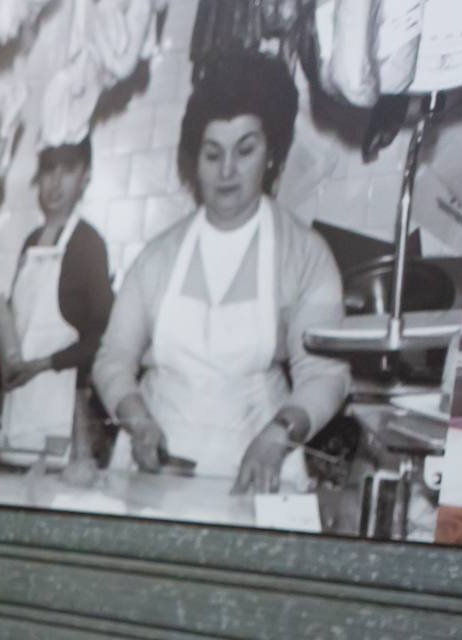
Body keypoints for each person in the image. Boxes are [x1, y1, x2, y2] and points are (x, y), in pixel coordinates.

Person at [93, 48, 349, 494]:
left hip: (261, 472)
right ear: (195, 162)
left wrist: (278, 436)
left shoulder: (305, 255)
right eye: (212, 155)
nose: (227, 170)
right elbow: (113, 359)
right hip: (154, 477)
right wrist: (138, 422)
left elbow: (325, 375)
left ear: (271, 152)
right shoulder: (157, 258)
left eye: (245, 150)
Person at [0, 139, 113, 458]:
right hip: (18, 400)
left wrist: (43, 364)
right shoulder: (30, 242)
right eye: (49, 171)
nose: (56, 183)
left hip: (61, 406)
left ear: (85, 178)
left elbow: (101, 337)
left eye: (69, 170)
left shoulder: (89, 244)